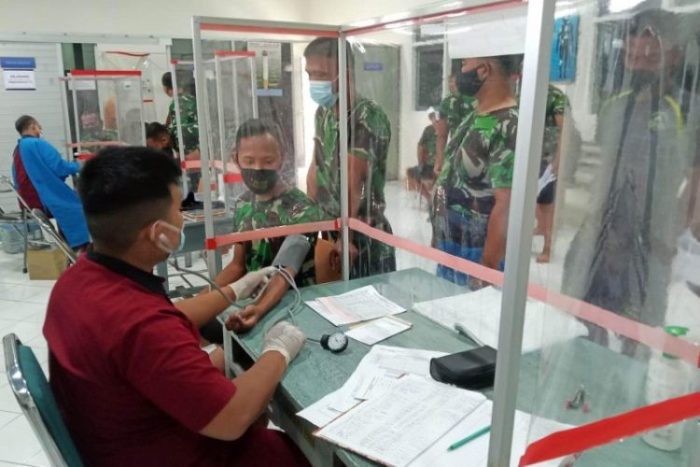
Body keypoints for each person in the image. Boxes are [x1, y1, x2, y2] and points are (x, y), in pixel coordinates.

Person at [44, 146, 310, 466]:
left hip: (121, 436)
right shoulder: (140, 325)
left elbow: (168, 320)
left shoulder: (77, 281)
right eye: (176, 212)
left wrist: (233, 290)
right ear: (157, 234)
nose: (182, 220)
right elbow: (232, 417)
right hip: (172, 453)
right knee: (297, 450)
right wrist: (279, 350)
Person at [562, 10, 698, 355]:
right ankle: (586, 386)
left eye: (650, 56)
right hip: (601, 237)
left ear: (674, 56)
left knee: (637, 332)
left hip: (650, 243)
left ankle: (625, 393)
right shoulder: (614, 105)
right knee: (585, 316)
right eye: (631, 56)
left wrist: (678, 232)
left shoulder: (687, 110)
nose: (638, 64)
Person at [213, 119, 322, 332]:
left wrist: (257, 309)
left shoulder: (301, 209)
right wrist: (206, 298)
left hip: (292, 311)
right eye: (249, 160)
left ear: (281, 159)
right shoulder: (244, 203)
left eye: (268, 161)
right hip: (251, 307)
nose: (258, 168)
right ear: (236, 159)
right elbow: (237, 266)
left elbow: (284, 273)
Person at [304, 37, 396, 278]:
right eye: (309, 73)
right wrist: (312, 226)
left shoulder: (366, 116)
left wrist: (347, 238)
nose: (314, 81)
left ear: (344, 73)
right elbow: (316, 168)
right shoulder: (323, 113)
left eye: (321, 73)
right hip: (333, 230)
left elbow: (354, 182)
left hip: (362, 235)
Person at [432, 56, 518, 287]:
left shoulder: (509, 124)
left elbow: (507, 204)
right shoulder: (475, 114)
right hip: (453, 244)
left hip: (479, 252)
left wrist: (486, 268)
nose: (460, 72)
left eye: (464, 65)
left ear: (482, 70)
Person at [11, 115, 89, 249]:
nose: (40, 130)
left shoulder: (19, 148)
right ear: (32, 127)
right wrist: (80, 165)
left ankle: (69, 247)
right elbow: (59, 168)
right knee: (79, 211)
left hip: (33, 199)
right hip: (49, 196)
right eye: (39, 127)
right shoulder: (38, 143)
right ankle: (81, 247)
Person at [534, 85, 569, 263]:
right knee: (534, 201)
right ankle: (540, 227)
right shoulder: (524, 92)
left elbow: (565, 130)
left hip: (548, 159)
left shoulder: (556, 97)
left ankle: (547, 248)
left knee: (548, 206)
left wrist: (558, 160)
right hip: (531, 157)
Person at [163, 71, 200, 189]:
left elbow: (181, 130)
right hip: (195, 152)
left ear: (168, 89)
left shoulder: (177, 103)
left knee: (192, 188)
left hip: (190, 154)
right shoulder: (193, 99)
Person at [434, 73, 477, 177]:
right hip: (457, 150)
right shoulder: (446, 103)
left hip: (474, 150)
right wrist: (439, 159)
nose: (451, 85)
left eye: (453, 82)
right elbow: (442, 134)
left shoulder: (475, 100)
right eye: (449, 82)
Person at [406, 108, 438, 206]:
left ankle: (430, 198)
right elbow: (420, 147)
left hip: (433, 167)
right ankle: (431, 198)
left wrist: (421, 163)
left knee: (411, 173)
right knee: (412, 172)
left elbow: (420, 147)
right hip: (437, 167)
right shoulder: (431, 130)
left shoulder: (430, 130)